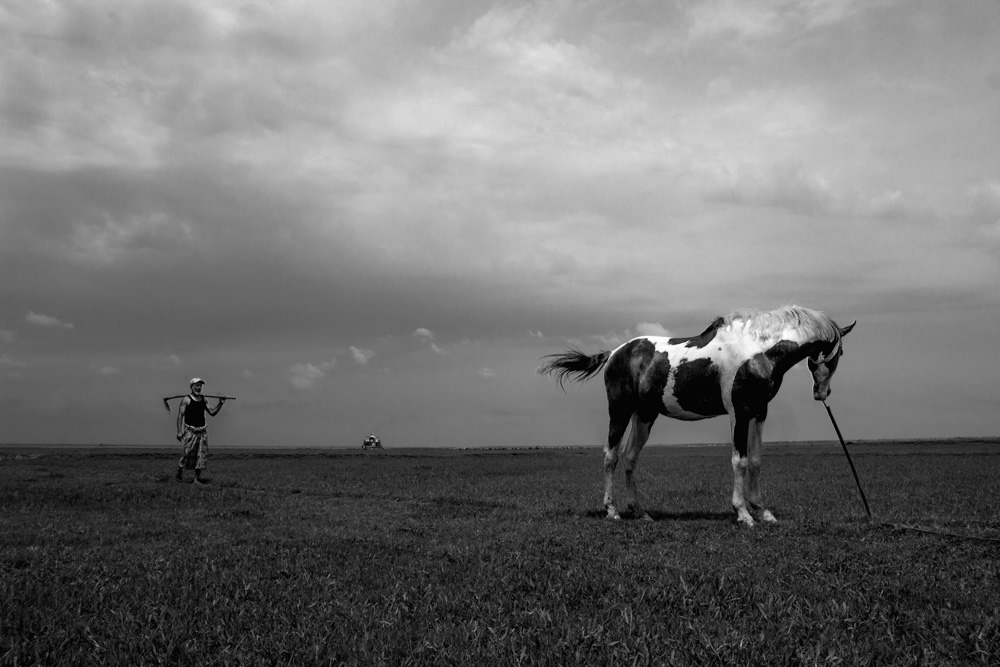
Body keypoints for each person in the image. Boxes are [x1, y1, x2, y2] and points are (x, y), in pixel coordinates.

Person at [175, 378, 226, 485]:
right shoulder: (186, 400)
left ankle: (196, 479)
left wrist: (220, 404)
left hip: (202, 431)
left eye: (200, 386)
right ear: (191, 387)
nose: (198, 388)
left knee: (201, 455)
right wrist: (179, 431)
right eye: (196, 385)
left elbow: (212, 412)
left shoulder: (204, 399)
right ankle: (180, 470)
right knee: (188, 452)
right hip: (190, 430)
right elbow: (180, 416)